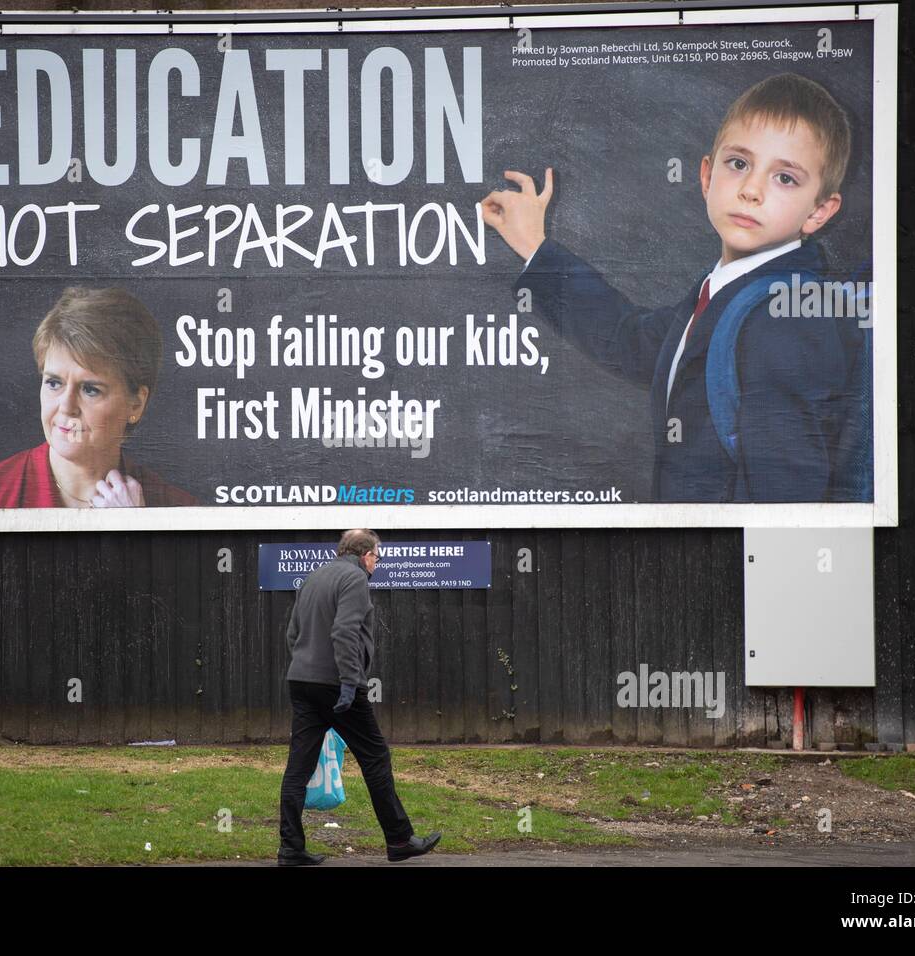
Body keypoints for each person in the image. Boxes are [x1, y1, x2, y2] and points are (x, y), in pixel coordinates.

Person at [481, 73, 871, 503]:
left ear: (819, 212)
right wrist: (535, 247)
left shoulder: (783, 316)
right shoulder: (724, 292)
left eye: (785, 178)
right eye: (739, 164)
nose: (751, 190)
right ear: (707, 176)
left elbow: (783, 491)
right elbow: (628, 341)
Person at [0, 286, 198, 509]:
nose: (66, 407)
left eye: (90, 389)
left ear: (136, 403)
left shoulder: (177, 508)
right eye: (54, 383)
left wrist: (135, 534)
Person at [277, 529, 441, 865]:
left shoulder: (315, 576)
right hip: (337, 684)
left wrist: (307, 666)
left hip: (301, 681)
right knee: (375, 756)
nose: (376, 564)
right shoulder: (354, 579)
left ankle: (290, 849)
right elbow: (344, 631)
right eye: (377, 557)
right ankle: (399, 840)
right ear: (366, 554)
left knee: (299, 767)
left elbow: (292, 633)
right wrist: (350, 682)